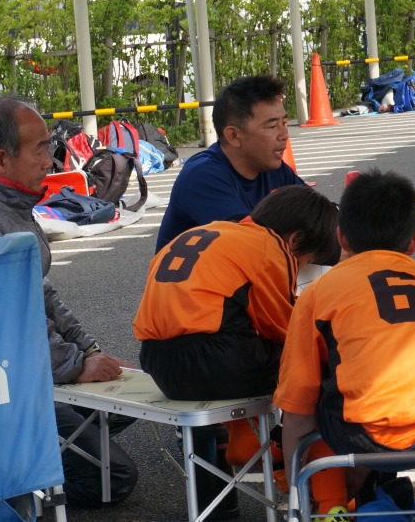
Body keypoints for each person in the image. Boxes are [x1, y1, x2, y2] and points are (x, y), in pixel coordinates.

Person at [0, 96, 138, 509]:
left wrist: (89, 351)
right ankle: (10, 491)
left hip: (23, 372)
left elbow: (41, 292)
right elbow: (11, 324)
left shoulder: (4, 200)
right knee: (113, 478)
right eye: (40, 150)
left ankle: (31, 461)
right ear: (0, 160)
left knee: (127, 396)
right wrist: (74, 366)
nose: (50, 161)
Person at [276, 170, 415, 519]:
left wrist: (295, 477)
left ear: (341, 237)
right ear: (413, 241)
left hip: (364, 436)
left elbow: (298, 405)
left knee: (317, 386)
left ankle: (330, 507)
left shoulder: (318, 293)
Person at [133, 186, 339, 511]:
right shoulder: (269, 248)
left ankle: (242, 433)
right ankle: (321, 490)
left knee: (245, 332)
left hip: (158, 363)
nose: (299, 269)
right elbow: (285, 327)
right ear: (295, 240)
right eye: (305, 262)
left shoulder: (203, 234)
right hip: (219, 362)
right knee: (318, 362)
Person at [156, 75, 304, 251]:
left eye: (285, 122)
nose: (284, 134)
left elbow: (320, 221)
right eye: (272, 126)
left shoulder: (273, 169)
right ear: (233, 135)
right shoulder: (202, 176)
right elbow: (252, 247)